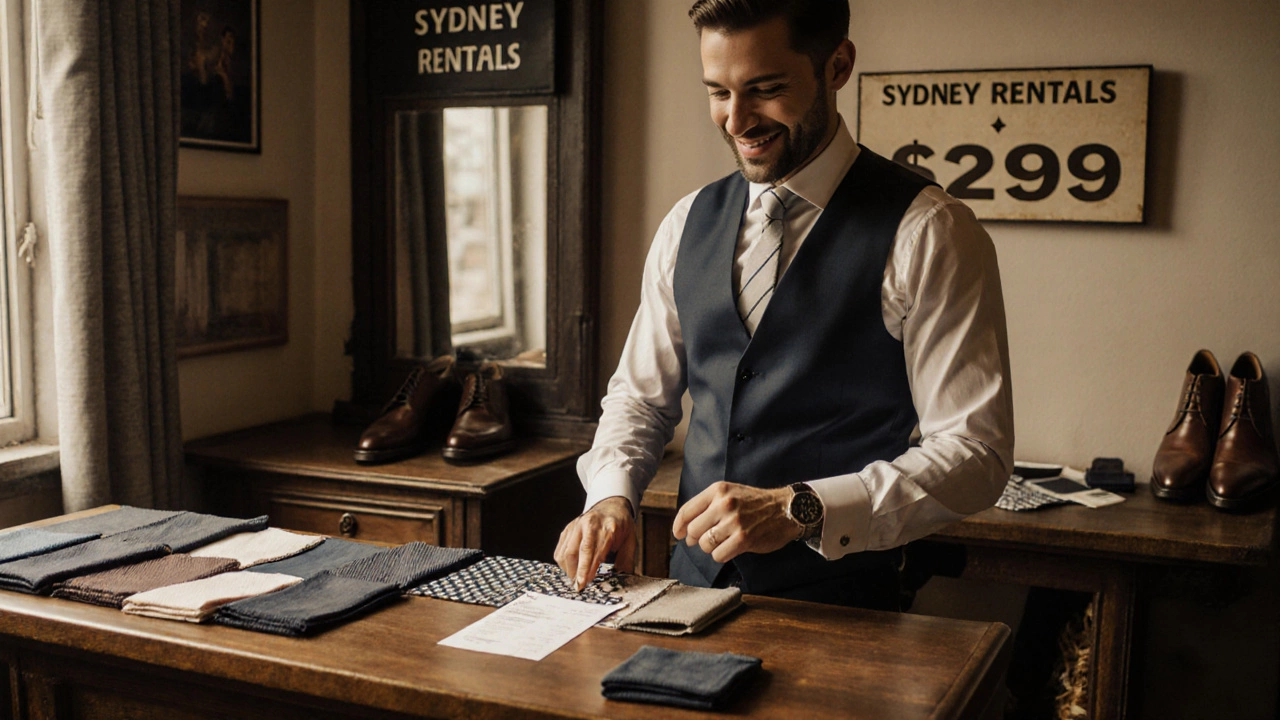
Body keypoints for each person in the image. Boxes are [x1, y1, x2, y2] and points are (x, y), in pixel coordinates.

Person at [555, 0, 1014, 609]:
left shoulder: (930, 230)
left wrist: (802, 508)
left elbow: (975, 454)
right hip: (687, 598)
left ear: (838, 65)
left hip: (846, 612)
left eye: (765, 89)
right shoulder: (685, 224)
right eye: (718, 91)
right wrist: (610, 496)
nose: (736, 120)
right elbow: (640, 398)